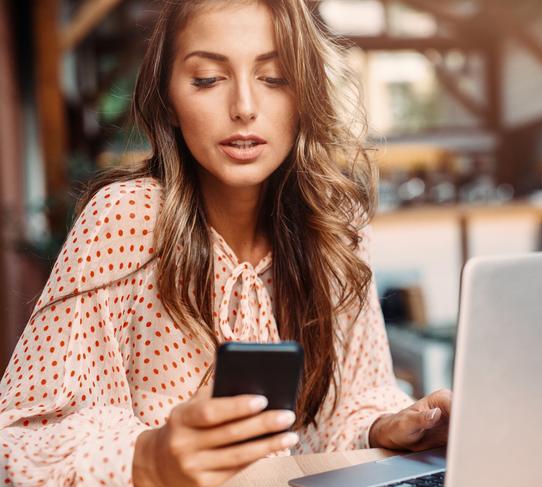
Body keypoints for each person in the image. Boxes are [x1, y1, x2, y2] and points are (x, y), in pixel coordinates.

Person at [0, 0, 452, 485]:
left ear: (305, 96)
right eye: (208, 79)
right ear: (169, 102)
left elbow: (350, 407)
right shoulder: (124, 218)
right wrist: (148, 458)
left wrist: (391, 427)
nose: (244, 107)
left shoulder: (334, 227)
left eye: (274, 78)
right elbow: (18, 441)